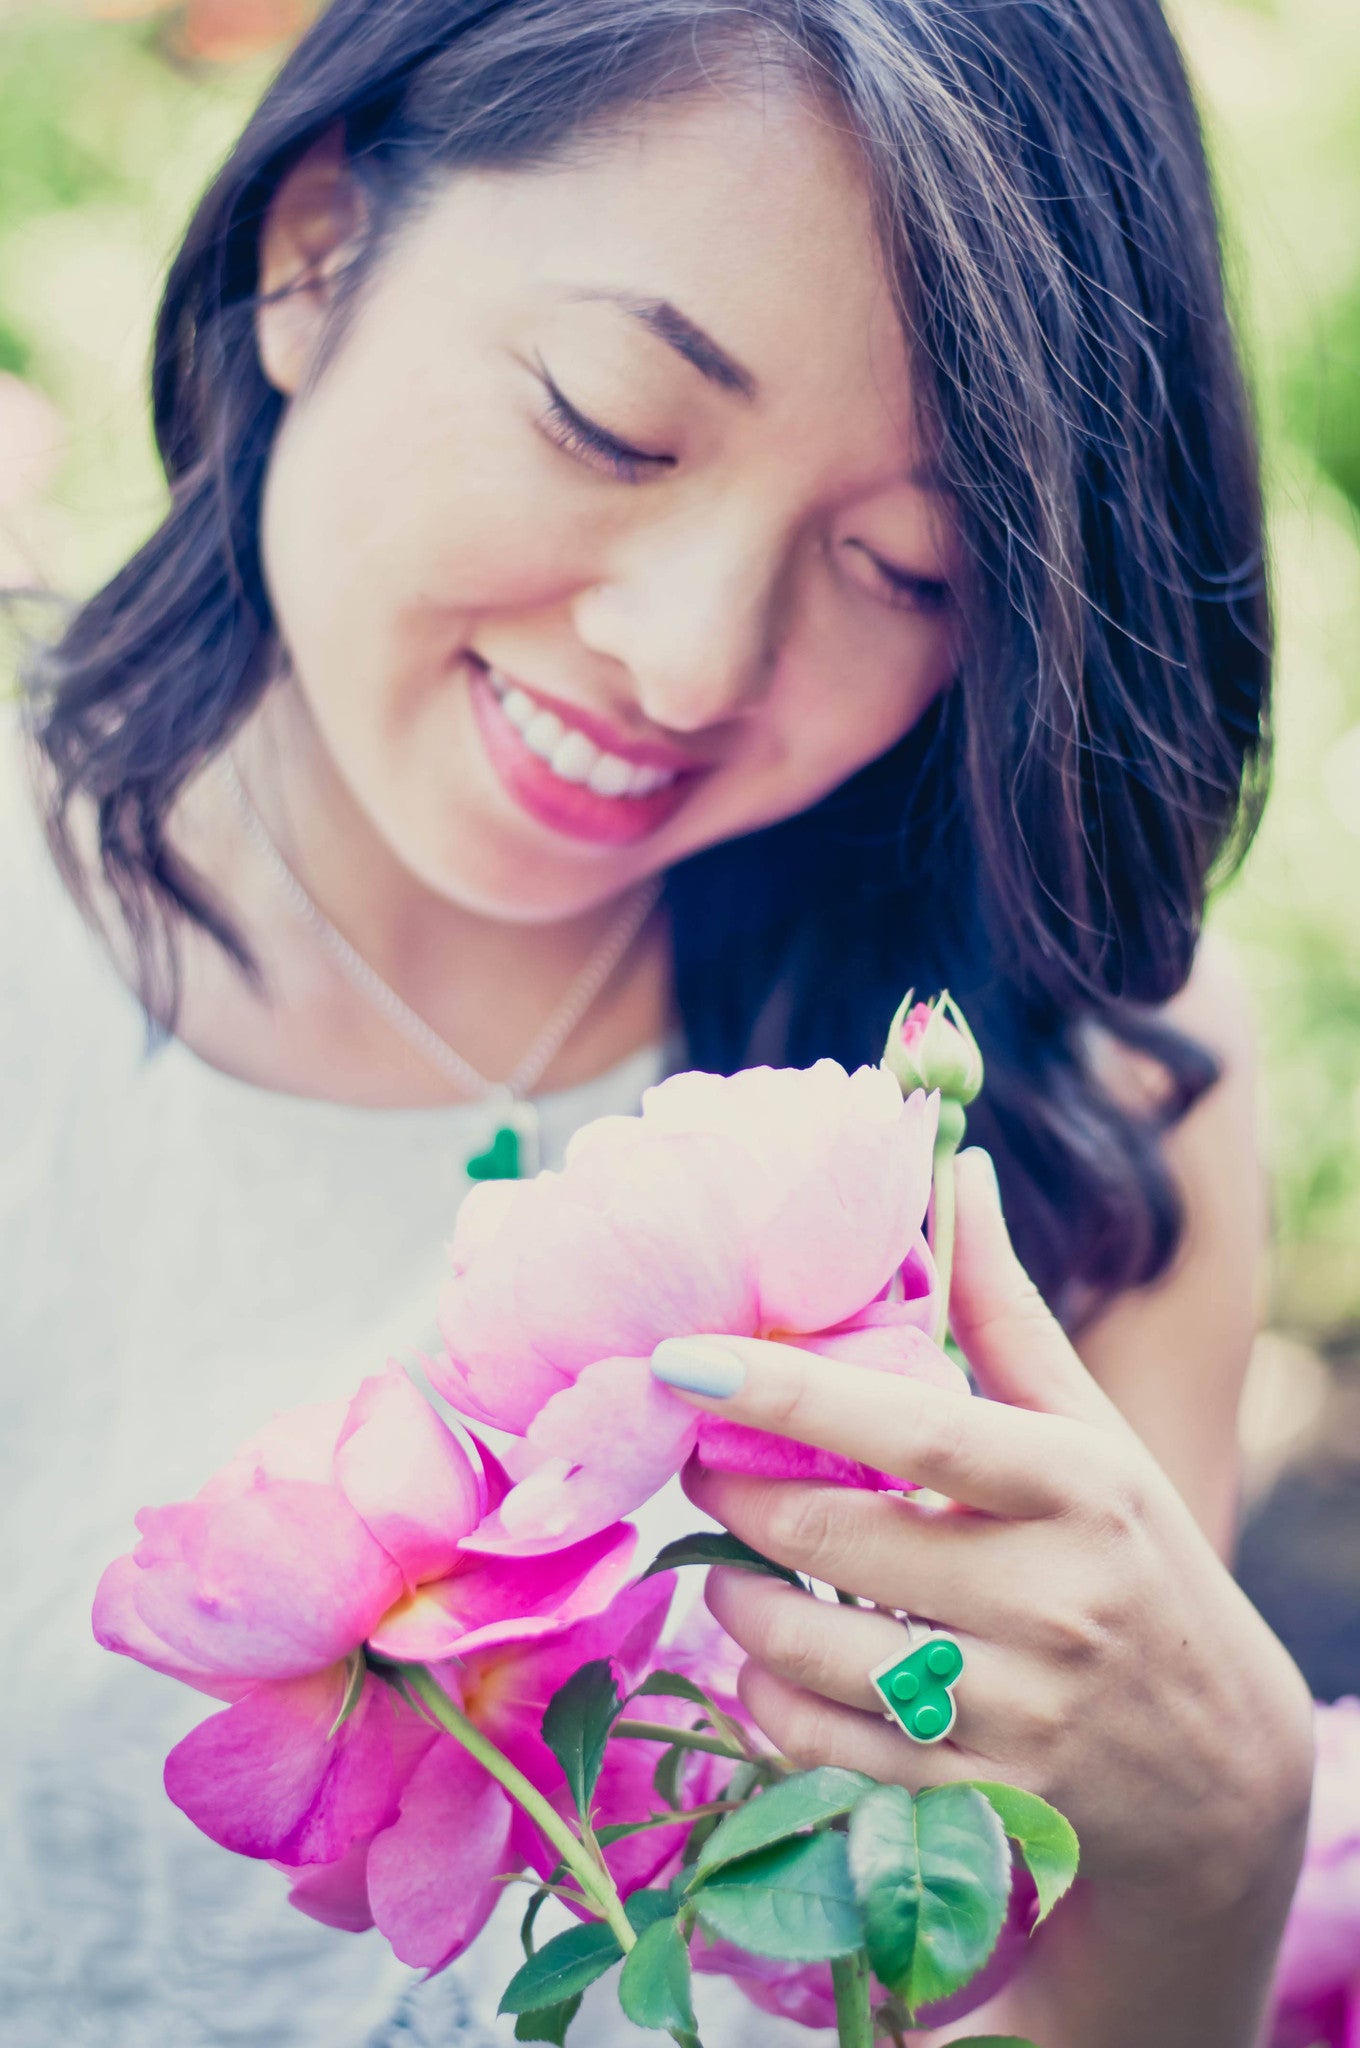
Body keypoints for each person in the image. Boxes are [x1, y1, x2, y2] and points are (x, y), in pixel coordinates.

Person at [0, 0, 1319, 2042]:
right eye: (609, 421)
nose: (686, 658)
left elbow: (1000, 1982)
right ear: (315, 252)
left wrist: (1207, 1847)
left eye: (904, 565)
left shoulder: (1068, 1101)